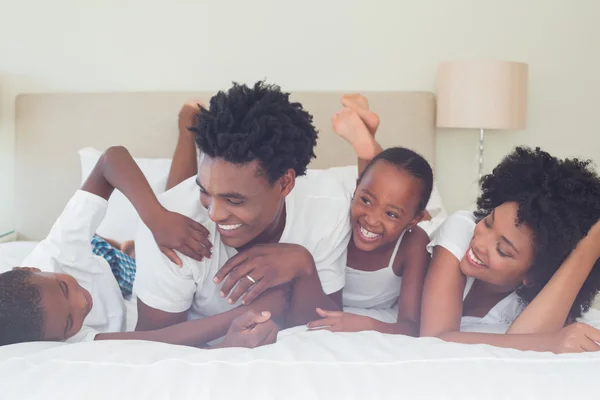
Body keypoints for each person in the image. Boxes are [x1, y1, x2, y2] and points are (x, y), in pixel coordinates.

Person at [0, 146, 281, 348]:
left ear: (31, 268)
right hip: (125, 289)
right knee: (159, 252)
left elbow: (111, 160)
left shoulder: (58, 250)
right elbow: (157, 340)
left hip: (105, 263)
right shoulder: (53, 335)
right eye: (69, 320)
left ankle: (187, 127)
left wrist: (155, 218)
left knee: (172, 223)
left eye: (64, 289)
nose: (82, 303)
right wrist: (236, 323)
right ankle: (128, 249)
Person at [133, 81, 353, 334]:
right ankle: (186, 126)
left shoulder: (327, 207)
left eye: (235, 200)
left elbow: (325, 327)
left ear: (285, 183)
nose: (214, 214)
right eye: (204, 190)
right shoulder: (172, 227)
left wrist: (304, 266)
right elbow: (148, 346)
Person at [420, 146, 600, 353]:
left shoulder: (532, 299)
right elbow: (435, 338)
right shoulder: (461, 230)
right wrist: (546, 342)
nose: (479, 244)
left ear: (532, 275)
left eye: (502, 250)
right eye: (488, 222)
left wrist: (588, 248)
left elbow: (525, 348)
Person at [307, 95, 432, 336]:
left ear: (414, 220)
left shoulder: (413, 243)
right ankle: (366, 148)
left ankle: (366, 146)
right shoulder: (333, 220)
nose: (372, 220)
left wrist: (366, 324)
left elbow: (410, 325)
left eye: (391, 214)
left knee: (382, 192)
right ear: (354, 190)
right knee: (374, 193)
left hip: (415, 222)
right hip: (350, 203)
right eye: (364, 200)